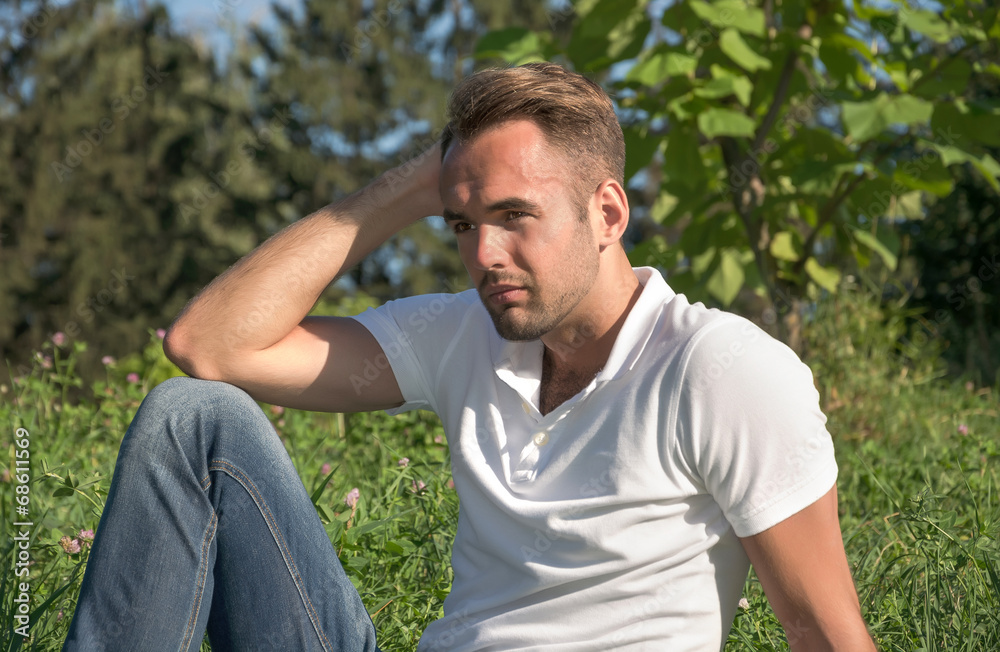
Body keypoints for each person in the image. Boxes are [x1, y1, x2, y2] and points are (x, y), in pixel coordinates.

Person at [64, 62, 875, 651]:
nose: (483, 252)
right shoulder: (461, 334)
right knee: (190, 417)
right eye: (460, 224)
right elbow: (208, 345)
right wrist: (419, 184)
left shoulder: (723, 371)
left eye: (515, 213)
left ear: (608, 212)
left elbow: (824, 631)